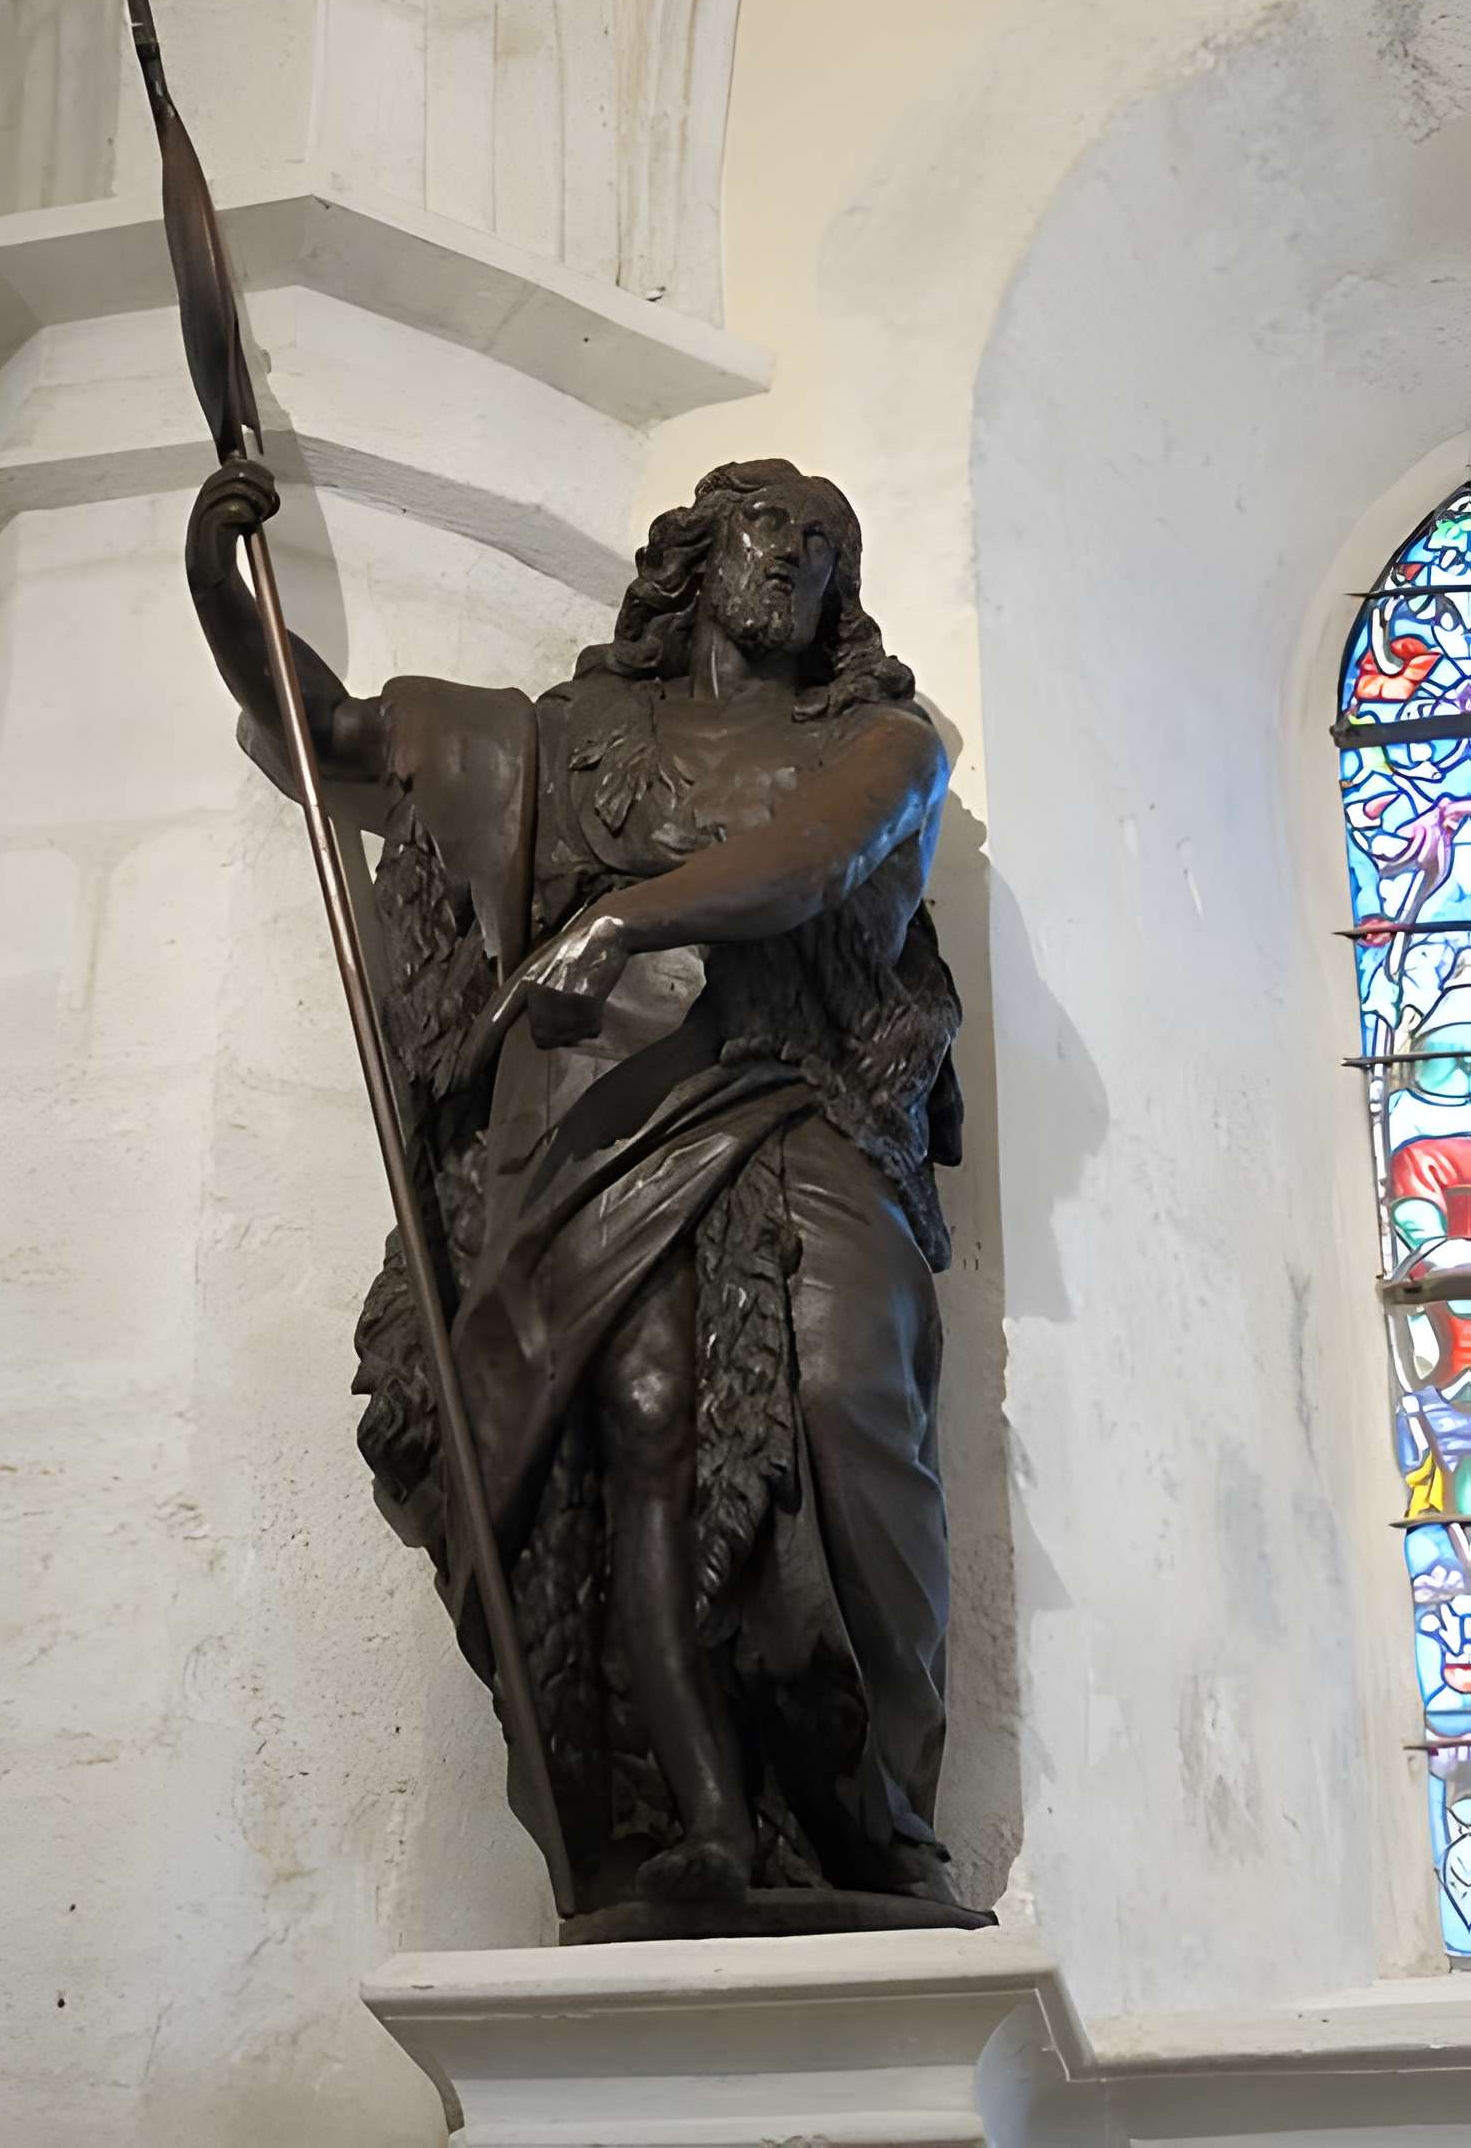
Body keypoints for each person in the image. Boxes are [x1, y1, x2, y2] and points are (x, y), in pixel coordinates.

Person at [186, 455, 967, 1915]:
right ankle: (696, 1821)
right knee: (633, 1459)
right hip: (593, 1137)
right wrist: (216, 580)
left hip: (794, 1105)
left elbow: (812, 862)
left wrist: (624, 916)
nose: (790, 556)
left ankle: (874, 1819)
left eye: (821, 544)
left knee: (848, 1400)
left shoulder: (881, 742)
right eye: (762, 528)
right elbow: (330, 731)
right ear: (695, 553)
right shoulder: (560, 741)